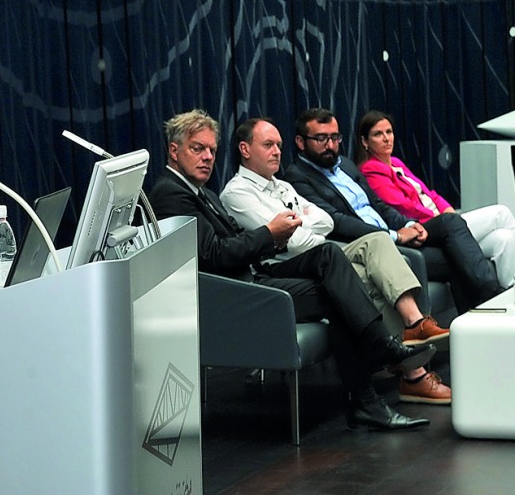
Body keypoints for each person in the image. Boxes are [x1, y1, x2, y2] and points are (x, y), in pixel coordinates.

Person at [147, 109, 437, 431]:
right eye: (197, 149)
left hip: (254, 274)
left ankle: (375, 372)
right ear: (174, 151)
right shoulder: (171, 194)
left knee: (328, 255)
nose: (207, 157)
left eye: (212, 150)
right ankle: (372, 382)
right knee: (338, 292)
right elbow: (214, 255)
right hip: (237, 293)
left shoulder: (204, 193)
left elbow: (315, 224)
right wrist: (269, 233)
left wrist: (268, 237)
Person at [219, 118, 451, 405]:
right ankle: (413, 374)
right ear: (245, 149)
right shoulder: (237, 192)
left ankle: (415, 323)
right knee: (365, 279)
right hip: (290, 265)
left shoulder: (281, 185)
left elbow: (325, 220)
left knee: (378, 240)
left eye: (278, 145)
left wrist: (298, 221)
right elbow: (293, 243)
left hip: (322, 251)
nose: (277, 151)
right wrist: (303, 222)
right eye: (268, 145)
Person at [281, 108, 503, 314]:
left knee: (449, 223)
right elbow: (336, 221)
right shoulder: (298, 177)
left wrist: (408, 225)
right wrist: (395, 235)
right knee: (456, 255)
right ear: (301, 142)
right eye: (321, 139)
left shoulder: (345, 166)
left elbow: (378, 205)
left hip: (393, 233)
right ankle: (490, 302)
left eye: (335, 138)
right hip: (372, 245)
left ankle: (479, 318)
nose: (330, 145)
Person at [354, 109, 515, 287]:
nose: (387, 138)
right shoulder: (370, 170)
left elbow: (429, 194)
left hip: (444, 220)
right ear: (365, 142)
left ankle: (512, 293)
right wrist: (443, 219)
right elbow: (402, 206)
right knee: (501, 213)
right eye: (378, 134)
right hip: (426, 226)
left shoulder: (396, 163)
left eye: (389, 132)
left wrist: (447, 211)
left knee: (504, 238)